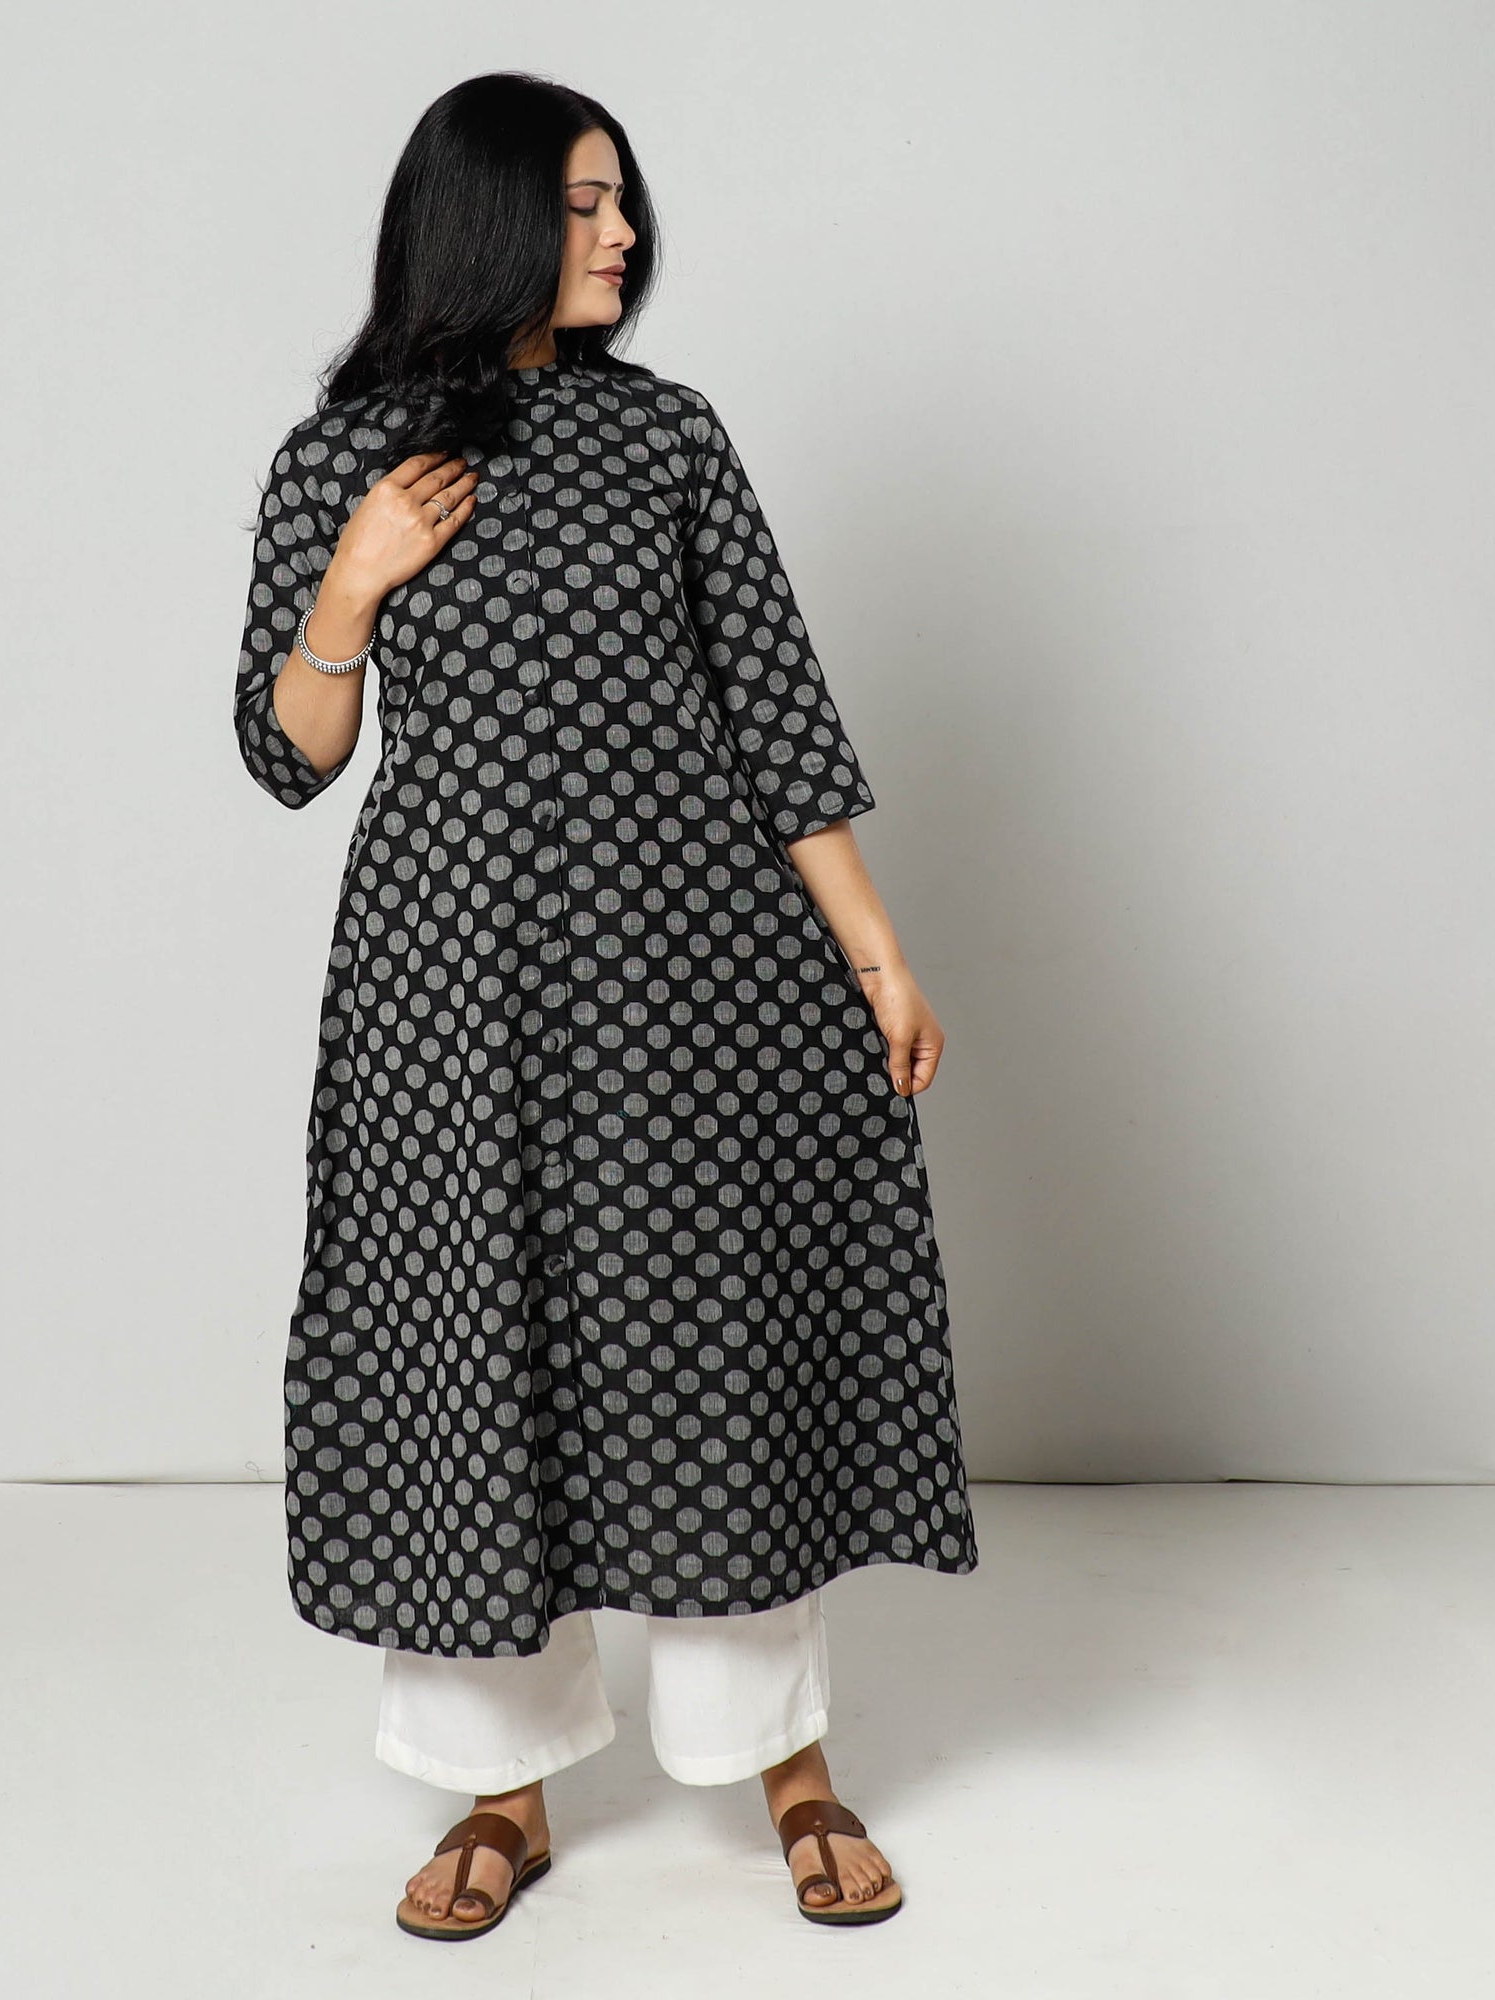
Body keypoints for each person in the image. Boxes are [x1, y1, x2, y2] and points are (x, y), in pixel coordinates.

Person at [232, 71, 979, 1938]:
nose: (624, 235)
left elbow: (777, 713)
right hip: (452, 981)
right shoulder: (345, 460)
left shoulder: (667, 439)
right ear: (484, 217)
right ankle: (502, 1794)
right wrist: (351, 585)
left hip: (693, 969)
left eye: (622, 201)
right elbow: (287, 755)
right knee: (469, 1335)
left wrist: (878, 955)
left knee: (707, 1327)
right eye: (583, 204)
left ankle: (787, 1767)